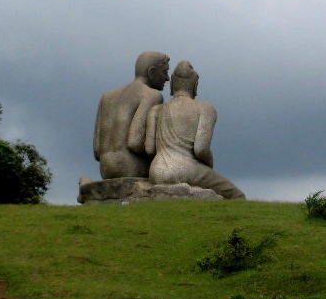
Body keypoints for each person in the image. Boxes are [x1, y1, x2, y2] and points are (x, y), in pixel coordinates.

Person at [145, 60, 245, 199]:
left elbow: (149, 149)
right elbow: (201, 149)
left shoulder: (156, 110)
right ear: (195, 85)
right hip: (186, 169)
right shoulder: (205, 108)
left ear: (172, 85)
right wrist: (209, 165)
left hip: (156, 170)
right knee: (237, 195)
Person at [94, 51, 170, 179]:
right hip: (133, 168)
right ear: (152, 72)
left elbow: (97, 150)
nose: (167, 78)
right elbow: (135, 143)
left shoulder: (106, 97)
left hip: (106, 169)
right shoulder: (151, 95)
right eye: (164, 72)